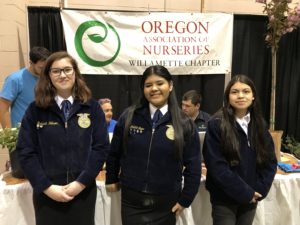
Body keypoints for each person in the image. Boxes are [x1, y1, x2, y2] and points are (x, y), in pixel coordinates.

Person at [16, 51, 110, 225]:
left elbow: (101, 148)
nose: (63, 75)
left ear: (75, 73)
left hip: (82, 193)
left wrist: (80, 184)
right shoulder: (35, 110)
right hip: (47, 194)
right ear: (48, 76)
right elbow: (26, 151)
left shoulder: (92, 108)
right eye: (56, 71)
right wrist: (46, 187)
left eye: (67, 69)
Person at [105, 65, 201, 225]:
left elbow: (194, 165)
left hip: (167, 201)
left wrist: (186, 199)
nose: (154, 89)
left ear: (170, 85)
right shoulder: (129, 116)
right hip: (132, 200)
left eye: (159, 83)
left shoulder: (184, 123)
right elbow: (114, 152)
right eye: (148, 85)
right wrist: (111, 178)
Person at [203, 75, 277, 225]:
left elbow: (270, 161)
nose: (241, 96)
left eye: (246, 91)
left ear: (253, 96)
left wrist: (259, 191)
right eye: (235, 92)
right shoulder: (216, 124)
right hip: (224, 197)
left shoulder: (260, 125)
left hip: (252, 195)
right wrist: (245, 192)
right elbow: (217, 166)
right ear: (228, 96)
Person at [0, 46, 50, 128]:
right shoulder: (15, 79)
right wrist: (8, 134)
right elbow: (3, 107)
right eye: (41, 68)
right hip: (22, 132)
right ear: (31, 63)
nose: (44, 70)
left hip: (43, 131)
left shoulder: (49, 78)